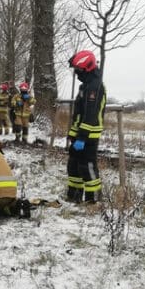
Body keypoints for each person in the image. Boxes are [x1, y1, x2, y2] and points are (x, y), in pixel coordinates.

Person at [66, 50, 107, 204]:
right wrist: (73, 134)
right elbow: (79, 114)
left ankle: (93, 201)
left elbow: (90, 115)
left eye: (78, 69)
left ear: (87, 68)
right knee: (73, 166)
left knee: (87, 166)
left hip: (89, 135)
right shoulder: (85, 86)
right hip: (80, 134)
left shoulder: (95, 87)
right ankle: (74, 196)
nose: (77, 73)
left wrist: (82, 138)